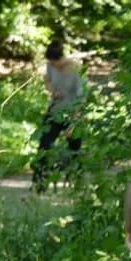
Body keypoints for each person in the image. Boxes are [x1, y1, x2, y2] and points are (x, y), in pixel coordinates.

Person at [32, 40, 84, 193]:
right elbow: (47, 81)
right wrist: (53, 91)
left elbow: (82, 95)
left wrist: (75, 120)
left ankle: (78, 185)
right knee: (44, 146)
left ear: (61, 59)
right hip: (55, 111)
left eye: (55, 63)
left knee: (75, 148)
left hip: (72, 113)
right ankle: (39, 184)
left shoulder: (75, 68)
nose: (52, 66)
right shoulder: (50, 66)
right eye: (50, 63)